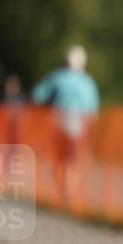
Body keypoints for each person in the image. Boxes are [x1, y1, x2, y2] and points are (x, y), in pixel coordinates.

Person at [32, 45, 100, 205]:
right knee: (75, 159)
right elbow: (93, 111)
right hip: (79, 127)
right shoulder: (88, 82)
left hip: (58, 122)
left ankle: (62, 188)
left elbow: (37, 96)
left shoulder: (57, 77)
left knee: (59, 158)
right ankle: (70, 189)